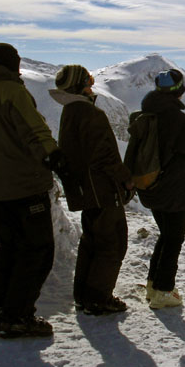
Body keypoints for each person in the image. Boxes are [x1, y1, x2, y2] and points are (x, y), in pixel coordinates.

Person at [0, 42, 67, 338]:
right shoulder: (11, 90)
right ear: (10, 64)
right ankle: (18, 317)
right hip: (23, 185)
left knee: (7, 250)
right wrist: (54, 156)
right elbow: (33, 128)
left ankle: (0, 311)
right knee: (37, 251)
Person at [49, 65, 134, 315]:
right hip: (101, 189)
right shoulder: (89, 113)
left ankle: (84, 295)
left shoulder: (70, 110)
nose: (91, 85)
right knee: (112, 242)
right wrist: (125, 179)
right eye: (88, 80)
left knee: (92, 240)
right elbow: (104, 155)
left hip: (84, 189)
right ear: (78, 86)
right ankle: (98, 298)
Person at [129, 69, 185, 309]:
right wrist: (184, 164)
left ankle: (154, 285)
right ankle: (163, 291)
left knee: (166, 235)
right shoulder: (178, 120)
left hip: (149, 188)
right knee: (174, 239)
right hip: (174, 190)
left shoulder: (143, 117)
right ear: (180, 91)